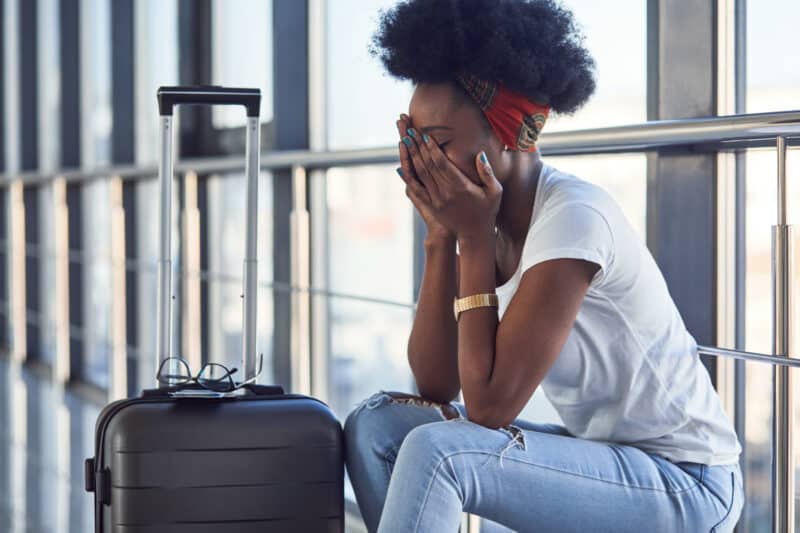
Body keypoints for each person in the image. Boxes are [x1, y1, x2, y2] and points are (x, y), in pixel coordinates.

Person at [343, 0, 744, 531]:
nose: (424, 163)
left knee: (439, 453)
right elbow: (436, 385)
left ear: (511, 133)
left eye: (438, 144)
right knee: (378, 425)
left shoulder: (573, 217)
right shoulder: (481, 221)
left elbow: (488, 408)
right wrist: (441, 237)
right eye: (414, 146)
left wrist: (473, 237)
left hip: (688, 482)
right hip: (606, 457)